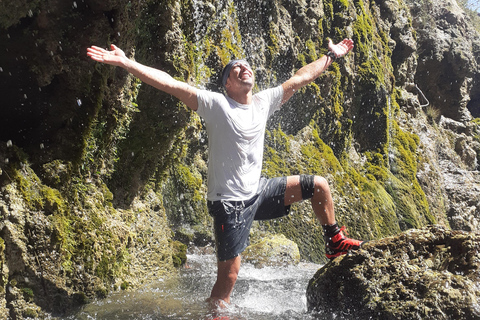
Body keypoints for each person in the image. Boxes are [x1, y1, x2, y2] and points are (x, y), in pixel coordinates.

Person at [87, 38, 363, 307]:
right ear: (227, 84)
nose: (244, 68)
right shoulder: (216, 104)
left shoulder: (263, 102)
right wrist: (126, 63)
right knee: (228, 280)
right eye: (236, 68)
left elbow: (302, 77)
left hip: (259, 191)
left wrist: (333, 56)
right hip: (229, 203)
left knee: (319, 186)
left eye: (247, 66)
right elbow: (170, 83)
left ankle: (334, 242)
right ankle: (214, 313)